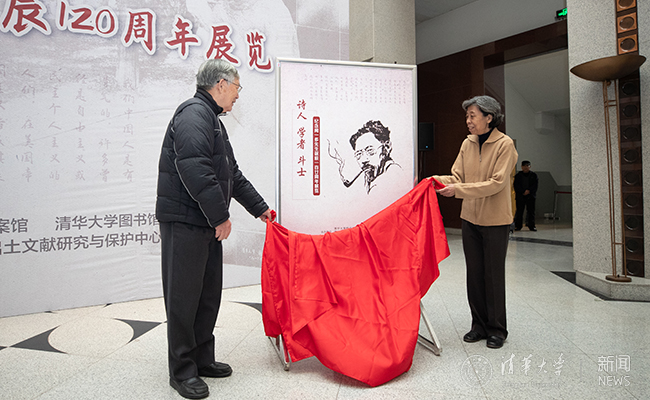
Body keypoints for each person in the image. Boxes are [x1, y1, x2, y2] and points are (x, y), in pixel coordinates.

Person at [156, 59, 272, 399]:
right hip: (186, 221)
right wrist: (221, 216)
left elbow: (231, 173)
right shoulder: (193, 114)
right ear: (221, 84)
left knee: (207, 295)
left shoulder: (213, 120)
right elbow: (195, 170)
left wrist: (260, 208)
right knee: (183, 298)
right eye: (237, 87)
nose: (238, 95)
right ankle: (182, 371)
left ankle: (202, 359)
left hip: (203, 221)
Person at [431, 95, 518, 349]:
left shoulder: (505, 145)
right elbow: (457, 177)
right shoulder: (467, 143)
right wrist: (433, 180)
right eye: (467, 116)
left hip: (496, 221)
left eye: (472, 116)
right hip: (470, 219)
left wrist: (458, 190)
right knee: (475, 274)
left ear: (489, 117)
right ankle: (478, 326)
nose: (468, 121)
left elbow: (496, 183)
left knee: (493, 275)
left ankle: (497, 329)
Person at [348, 120, 400, 193]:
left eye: (370, 151)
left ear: (387, 147)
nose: (363, 160)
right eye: (359, 154)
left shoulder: (394, 175)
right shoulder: (368, 180)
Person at [513, 160, 538, 231]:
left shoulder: (533, 175)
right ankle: (518, 226)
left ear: (530, 167)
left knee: (531, 211)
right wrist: (523, 191)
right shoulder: (518, 176)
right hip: (520, 196)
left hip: (531, 196)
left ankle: (531, 226)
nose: (525, 167)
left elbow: (535, 186)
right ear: (521, 167)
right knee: (519, 211)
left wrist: (529, 191)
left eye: (527, 166)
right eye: (524, 166)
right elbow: (516, 186)